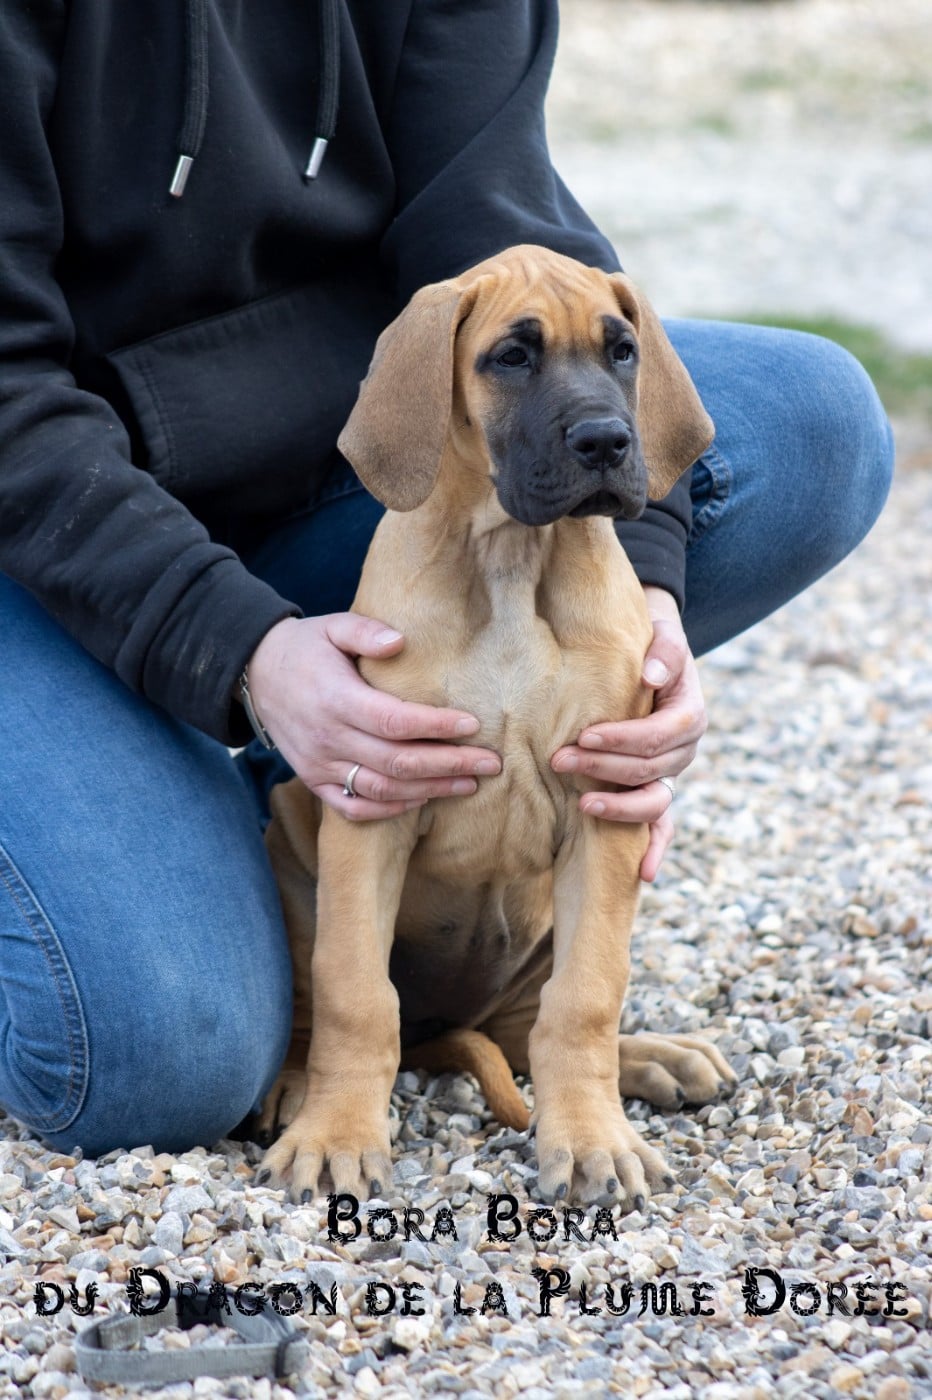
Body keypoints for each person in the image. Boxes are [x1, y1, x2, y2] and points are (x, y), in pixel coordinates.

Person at [0, 2, 893, 1158]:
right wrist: (234, 647)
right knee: (159, 1056)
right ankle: (180, 822)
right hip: (48, 525)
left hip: (378, 453)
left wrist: (641, 602)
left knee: (813, 423)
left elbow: (507, 227)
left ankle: (350, 802)